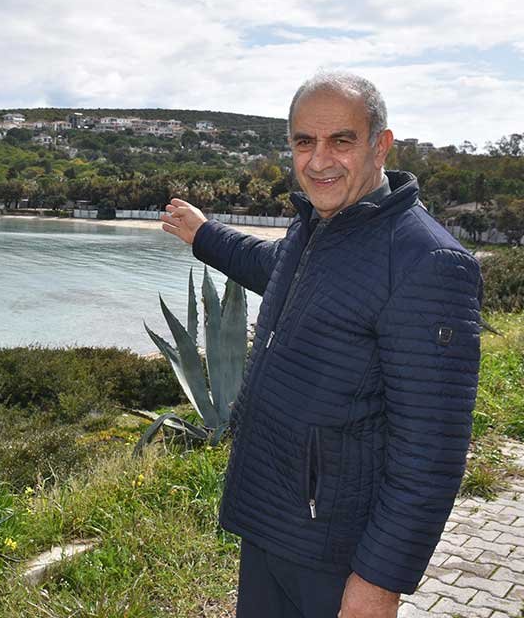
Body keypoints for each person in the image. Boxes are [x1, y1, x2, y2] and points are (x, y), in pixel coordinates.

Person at [161, 72, 482, 618]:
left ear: (380, 145)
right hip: (272, 521)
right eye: (304, 141)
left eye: (341, 140)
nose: (319, 160)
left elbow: (431, 450)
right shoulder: (316, 229)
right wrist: (204, 233)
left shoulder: (426, 261)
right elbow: (269, 266)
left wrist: (379, 580)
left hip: (335, 550)